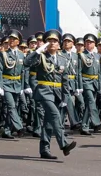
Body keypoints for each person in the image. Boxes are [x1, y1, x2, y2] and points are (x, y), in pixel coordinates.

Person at [23, 29, 78, 159]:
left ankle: (44, 150)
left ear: (59, 44)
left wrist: (65, 98)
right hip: (44, 91)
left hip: (57, 93)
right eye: (49, 41)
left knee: (48, 123)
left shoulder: (63, 59)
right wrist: (37, 50)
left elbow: (65, 80)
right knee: (55, 115)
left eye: (55, 41)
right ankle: (64, 144)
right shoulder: (41, 56)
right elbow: (26, 63)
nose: (52, 43)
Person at [0, 29, 26, 139]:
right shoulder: (4, 54)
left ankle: (7, 130)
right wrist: (0, 86)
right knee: (11, 106)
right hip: (6, 84)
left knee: (12, 107)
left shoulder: (21, 55)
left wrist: (22, 87)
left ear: (18, 42)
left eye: (14, 39)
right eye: (10, 38)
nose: (11, 40)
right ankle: (19, 127)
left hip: (17, 84)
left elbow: (23, 72)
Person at [77, 34, 101, 136]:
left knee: (89, 105)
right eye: (87, 42)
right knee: (91, 101)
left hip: (95, 82)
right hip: (86, 81)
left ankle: (84, 126)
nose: (88, 44)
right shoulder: (81, 55)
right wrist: (79, 86)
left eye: (91, 42)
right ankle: (96, 122)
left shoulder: (97, 56)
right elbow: (79, 72)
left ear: (94, 44)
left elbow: (99, 72)